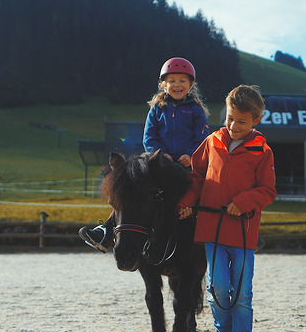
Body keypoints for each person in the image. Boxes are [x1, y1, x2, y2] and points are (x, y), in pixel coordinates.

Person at [177, 85, 276, 332]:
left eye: (241, 122)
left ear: (255, 121)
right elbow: (196, 176)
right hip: (212, 231)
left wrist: (243, 202)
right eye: (230, 118)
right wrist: (186, 202)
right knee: (218, 288)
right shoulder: (211, 142)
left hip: (244, 235)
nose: (233, 126)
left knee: (242, 295)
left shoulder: (262, 151)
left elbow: (268, 190)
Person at [79, 57, 210, 252]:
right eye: (172, 80)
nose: (177, 85)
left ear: (191, 85)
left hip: (186, 164)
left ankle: (223, 234)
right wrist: (159, 154)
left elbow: (202, 138)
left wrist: (191, 155)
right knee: (131, 189)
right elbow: (149, 136)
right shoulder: (157, 109)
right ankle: (105, 231)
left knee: (208, 187)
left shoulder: (196, 111)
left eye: (182, 80)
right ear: (163, 84)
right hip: (159, 163)